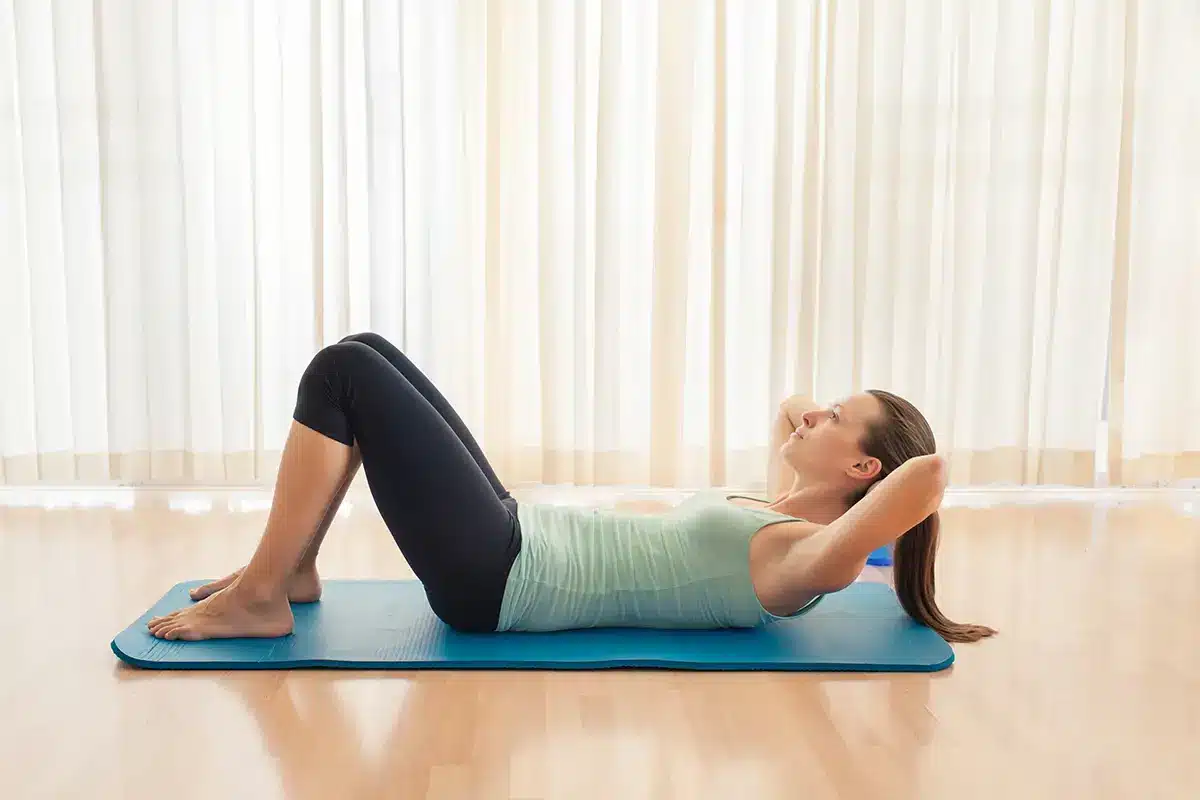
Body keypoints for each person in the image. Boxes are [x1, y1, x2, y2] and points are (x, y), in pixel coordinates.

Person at [148, 332, 996, 644]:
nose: (810, 417)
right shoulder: (776, 505)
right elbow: (793, 406)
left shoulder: (802, 561)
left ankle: (263, 594)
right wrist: (836, 427)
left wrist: (881, 460)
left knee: (342, 374)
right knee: (369, 350)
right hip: (518, 534)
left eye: (835, 420)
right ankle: (291, 570)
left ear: (863, 473)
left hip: (504, 580)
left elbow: (928, 475)